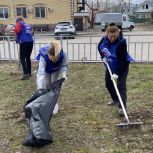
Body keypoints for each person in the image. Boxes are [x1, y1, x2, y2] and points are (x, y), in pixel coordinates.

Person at [98, 24, 133, 116]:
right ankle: (115, 99)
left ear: (118, 34)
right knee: (108, 83)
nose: (112, 38)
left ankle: (122, 108)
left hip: (122, 66)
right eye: (110, 36)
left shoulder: (121, 43)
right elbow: (99, 47)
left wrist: (116, 73)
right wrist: (103, 57)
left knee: (121, 86)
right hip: (111, 64)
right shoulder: (104, 39)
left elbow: (123, 60)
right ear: (107, 34)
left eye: (114, 36)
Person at [36, 40, 68, 114]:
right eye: (51, 58)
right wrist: (39, 88)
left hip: (55, 70)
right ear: (47, 54)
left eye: (54, 59)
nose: (52, 60)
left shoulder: (64, 54)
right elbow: (41, 74)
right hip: (46, 70)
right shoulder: (44, 57)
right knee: (46, 85)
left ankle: (54, 105)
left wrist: (64, 75)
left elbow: (64, 66)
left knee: (53, 84)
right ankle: (47, 103)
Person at [14, 16, 34, 80]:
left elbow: (17, 31)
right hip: (30, 42)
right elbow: (32, 33)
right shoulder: (28, 25)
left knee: (22, 58)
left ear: (17, 20)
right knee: (28, 57)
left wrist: (17, 38)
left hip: (23, 42)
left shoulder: (19, 23)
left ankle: (25, 74)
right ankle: (29, 73)